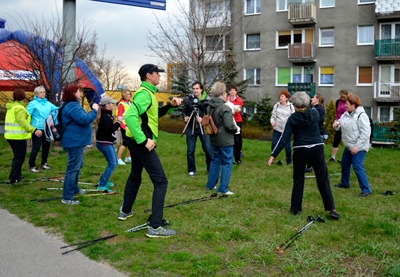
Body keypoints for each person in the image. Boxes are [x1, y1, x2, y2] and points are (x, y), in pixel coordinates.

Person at [118, 64, 183, 238]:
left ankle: (125, 211)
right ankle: (155, 227)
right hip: (141, 143)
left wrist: (170, 105)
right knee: (161, 181)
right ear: (149, 76)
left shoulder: (147, 94)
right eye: (157, 74)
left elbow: (152, 115)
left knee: (135, 176)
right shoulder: (145, 94)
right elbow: (129, 117)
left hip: (135, 142)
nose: (160, 77)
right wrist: (144, 140)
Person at [267, 92, 340, 219]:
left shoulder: (292, 118)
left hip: (300, 150)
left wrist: (274, 154)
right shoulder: (314, 113)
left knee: (299, 179)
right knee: (323, 179)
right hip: (317, 147)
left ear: (294, 104)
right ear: (306, 103)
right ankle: (332, 209)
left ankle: (295, 209)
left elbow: (284, 138)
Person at [60, 84, 99, 205]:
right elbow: (85, 119)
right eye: (77, 92)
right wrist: (94, 110)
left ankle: (74, 189)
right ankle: (67, 197)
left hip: (76, 140)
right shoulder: (72, 106)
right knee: (73, 168)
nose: (80, 94)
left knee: (77, 165)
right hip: (74, 141)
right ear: (73, 94)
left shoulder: (70, 105)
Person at [333, 93, 372, 197]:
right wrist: (336, 125)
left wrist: (357, 147)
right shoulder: (346, 114)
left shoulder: (361, 116)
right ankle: (345, 183)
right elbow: (339, 124)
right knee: (345, 164)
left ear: (354, 105)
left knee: (357, 167)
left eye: (347, 103)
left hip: (359, 147)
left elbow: (366, 133)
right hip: (349, 146)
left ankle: (366, 190)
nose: (345, 105)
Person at [205, 82, 240, 195]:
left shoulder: (209, 106)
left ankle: (210, 185)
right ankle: (223, 188)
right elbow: (230, 126)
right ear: (223, 93)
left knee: (215, 160)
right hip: (225, 139)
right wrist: (236, 130)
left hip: (214, 137)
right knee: (227, 162)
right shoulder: (225, 107)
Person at [5, 89, 43, 185]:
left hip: (11, 135)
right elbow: (22, 122)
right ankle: (15, 178)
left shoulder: (12, 107)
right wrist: (34, 130)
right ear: (23, 97)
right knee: (19, 157)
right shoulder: (19, 108)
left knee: (17, 156)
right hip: (17, 137)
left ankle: (15, 174)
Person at [182, 81, 213, 177]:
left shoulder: (207, 100)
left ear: (201, 89)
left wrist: (203, 119)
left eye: (197, 88)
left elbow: (210, 114)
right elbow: (184, 111)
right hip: (191, 127)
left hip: (203, 128)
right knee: (190, 150)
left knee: (208, 149)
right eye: (194, 88)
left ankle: (210, 168)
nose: (195, 90)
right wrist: (185, 117)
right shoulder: (188, 99)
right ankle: (191, 170)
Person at [26, 86, 59, 173]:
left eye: (44, 92)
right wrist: (32, 128)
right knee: (36, 147)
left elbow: (57, 109)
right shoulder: (33, 103)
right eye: (41, 92)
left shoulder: (47, 103)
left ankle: (44, 163)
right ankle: (32, 166)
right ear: (36, 94)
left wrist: (66, 105)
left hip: (46, 128)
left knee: (46, 147)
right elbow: (26, 115)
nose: (43, 94)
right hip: (37, 129)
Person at [95, 96, 123, 191]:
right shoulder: (104, 116)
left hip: (107, 141)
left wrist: (115, 126)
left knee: (113, 162)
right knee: (113, 163)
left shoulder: (107, 114)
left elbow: (109, 127)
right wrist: (119, 122)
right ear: (107, 105)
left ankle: (104, 180)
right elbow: (109, 129)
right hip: (104, 143)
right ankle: (102, 185)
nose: (114, 105)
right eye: (112, 103)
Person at [270, 90, 295, 166]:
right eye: (280, 96)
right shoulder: (276, 105)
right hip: (277, 128)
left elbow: (293, 117)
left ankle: (289, 161)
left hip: (286, 130)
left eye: (282, 96)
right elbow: (273, 116)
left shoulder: (290, 106)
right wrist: (272, 122)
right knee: (274, 143)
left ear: (286, 98)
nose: (280, 98)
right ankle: (273, 157)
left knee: (287, 146)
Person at [306, 93, 328, 173]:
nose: (312, 98)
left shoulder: (320, 109)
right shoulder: (313, 108)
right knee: (312, 150)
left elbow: (322, 119)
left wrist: (314, 117)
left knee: (319, 154)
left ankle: (324, 173)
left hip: (319, 133)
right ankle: (309, 167)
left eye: (314, 97)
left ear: (317, 100)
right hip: (314, 133)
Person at [330, 89, 348, 162]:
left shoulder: (349, 102)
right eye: (341, 97)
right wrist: (336, 120)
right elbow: (336, 112)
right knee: (336, 140)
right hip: (338, 124)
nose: (342, 98)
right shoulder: (338, 102)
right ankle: (333, 157)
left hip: (346, 124)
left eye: (343, 97)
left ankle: (346, 159)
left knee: (348, 141)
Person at [227, 86, 244, 165]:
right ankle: (229, 157)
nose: (232, 92)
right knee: (230, 139)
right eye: (231, 90)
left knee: (237, 139)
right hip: (229, 120)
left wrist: (236, 109)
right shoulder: (227, 99)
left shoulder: (239, 99)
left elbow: (239, 108)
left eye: (234, 90)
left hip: (237, 121)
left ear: (236, 92)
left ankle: (238, 157)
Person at [116, 89, 132, 165]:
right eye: (128, 94)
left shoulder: (129, 103)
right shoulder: (122, 104)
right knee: (125, 143)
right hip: (124, 126)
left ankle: (127, 157)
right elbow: (119, 117)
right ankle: (118, 159)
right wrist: (124, 127)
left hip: (130, 126)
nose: (130, 96)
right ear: (124, 95)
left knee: (131, 142)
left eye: (130, 94)